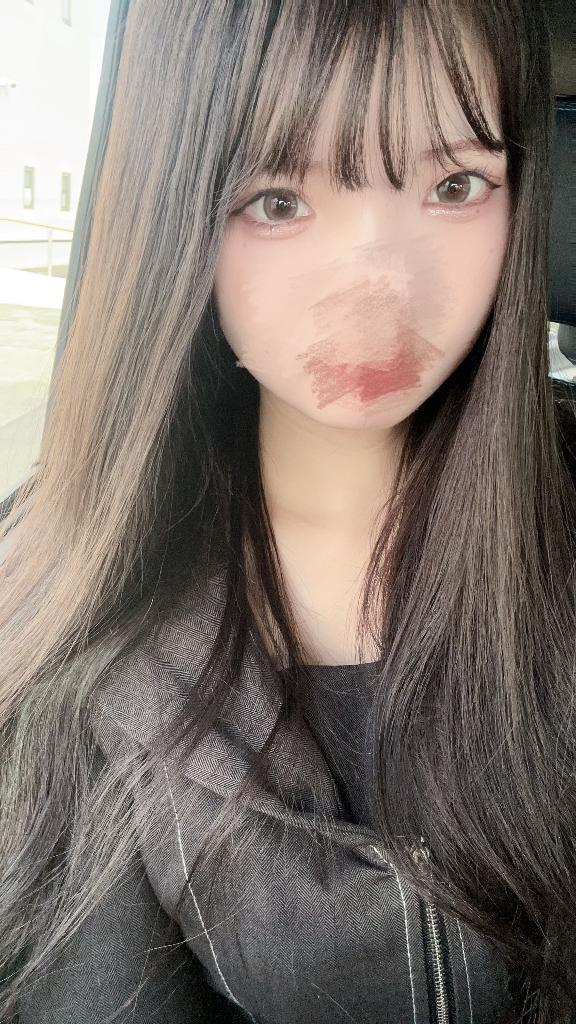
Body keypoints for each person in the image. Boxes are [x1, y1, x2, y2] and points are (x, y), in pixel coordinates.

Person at [1, 1, 575, 1022]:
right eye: (277, 200)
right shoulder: (54, 585)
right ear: (173, 210)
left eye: (454, 185)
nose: (378, 285)